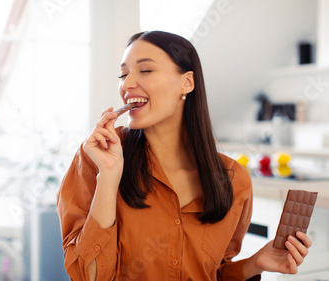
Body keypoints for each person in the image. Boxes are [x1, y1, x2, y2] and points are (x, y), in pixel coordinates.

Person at [56, 31, 312, 280]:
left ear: (187, 83)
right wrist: (109, 178)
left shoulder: (234, 180)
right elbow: (87, 276)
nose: (127, 84)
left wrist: (255, 264)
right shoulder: (98, 158)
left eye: (145, 70)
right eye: (123, 74)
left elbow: (215, 273)